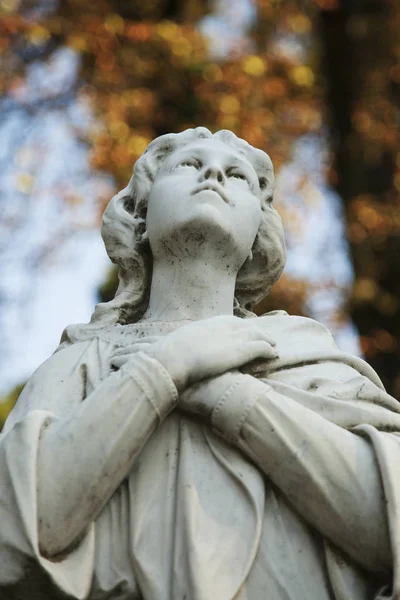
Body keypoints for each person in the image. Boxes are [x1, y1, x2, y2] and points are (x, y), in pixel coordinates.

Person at [1, 127, 400, 600]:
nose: (213, 173)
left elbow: (386, 529)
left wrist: (226, 394)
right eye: (188, 166)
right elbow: (24, 528)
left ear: (257, 236)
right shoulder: (82, 363)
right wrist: (163, 370)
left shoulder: (308, 360)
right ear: (141, 218)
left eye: (237, 177)